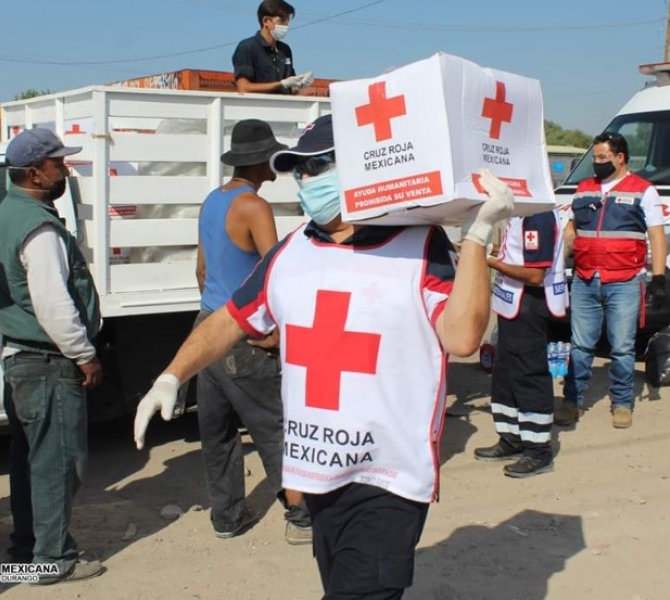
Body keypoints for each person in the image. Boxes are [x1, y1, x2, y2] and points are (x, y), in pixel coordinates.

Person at [133, 114, 514, 599]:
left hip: (388, 476)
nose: (306, 179)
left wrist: (478, 238)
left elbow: (461, 338)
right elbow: (231, 317)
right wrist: (172, 375)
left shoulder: (421, 245)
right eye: (300, 170)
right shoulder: (291, 251)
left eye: (319, 166)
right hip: (319, 474)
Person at [0, 128, 105, 583]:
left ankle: (27, 547)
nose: (65, 169)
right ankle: (52, 560)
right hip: (47, 362)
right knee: (58, 462)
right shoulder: (38, 225)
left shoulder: (11, 212)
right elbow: (53, 302)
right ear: (36, 173)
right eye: (59, 163)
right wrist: (84, 355)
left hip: (25, 361)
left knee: (31, 461)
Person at [194, 118, 311, 544]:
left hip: (207, 326)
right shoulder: (254, 207)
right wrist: (277, 331)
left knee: (218, 431)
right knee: (273, 426)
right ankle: (300, 515)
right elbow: (274, 273)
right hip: (242, 332)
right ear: (261, 161)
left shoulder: (211, 200)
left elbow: (202, 269)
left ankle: (226, 517)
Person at [556, 132, 667, 429]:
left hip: (624, 282)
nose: (597, 163)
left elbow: (656, 234)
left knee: (621, 348)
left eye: (603, 158)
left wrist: (659, 276)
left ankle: (621, 403)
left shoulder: (644, 191)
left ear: (620, 158)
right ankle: (571, 401)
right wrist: (556, 262)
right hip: (585, 279)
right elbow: (571, 229)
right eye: (595, 158)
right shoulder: (583, 189)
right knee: (579, 346)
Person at [473, 209, 568, 477]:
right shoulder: (520, 215)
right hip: (511, 305)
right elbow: (514, 251)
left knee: (528, 375)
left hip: (530, 305)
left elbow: (534, 275)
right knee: (504, 374)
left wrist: (489, 262)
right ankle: (511, 439)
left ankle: (538, 451)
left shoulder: (537, 216)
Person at [231, 0, 313, 94]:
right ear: (266, 21)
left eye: (287, 21)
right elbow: (244, 88)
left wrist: (299, 84)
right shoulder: (247, 47)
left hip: (283, 106)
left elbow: (290, 88)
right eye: (281, 21)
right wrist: (281, 84)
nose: (286, 25)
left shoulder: (285, 50)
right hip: (257, 106)